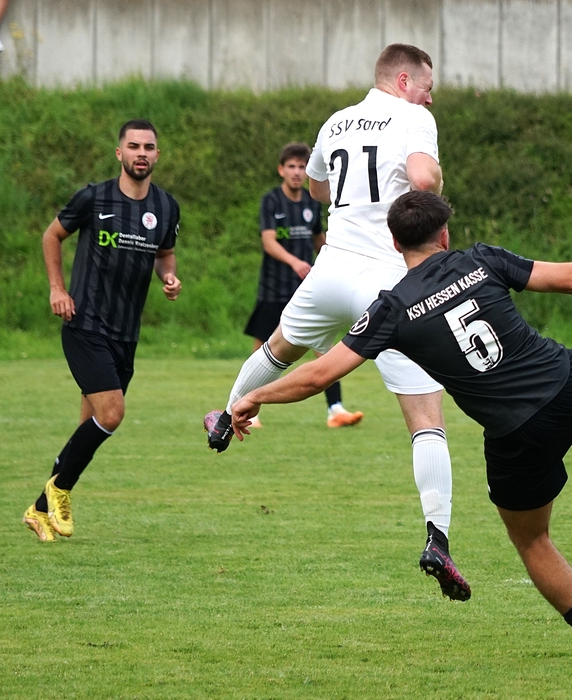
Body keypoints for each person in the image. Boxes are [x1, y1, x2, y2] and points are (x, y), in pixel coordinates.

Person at [228, 190, 572, 665]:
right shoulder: (481, 259)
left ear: (395, 244)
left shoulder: (390, 310)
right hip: (564, 379)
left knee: (532, 539)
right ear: (444, 235)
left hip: (515, 432)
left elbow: (318, 375)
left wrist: (253, 397)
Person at [203, 44, 471, 602]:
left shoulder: (336, 121)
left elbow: (319, 189)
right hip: (389, 280)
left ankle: (226, 417)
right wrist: (432, 187)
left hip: (330, 270)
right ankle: (438, 539)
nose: (430, 98)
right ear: (405, 81)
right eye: (428, 87)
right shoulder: (414, 117)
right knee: (426, 418)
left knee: (279, 347)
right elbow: (423, 178)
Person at [23, 119, 181, 542]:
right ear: (120, 153)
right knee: (111, 414)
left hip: (126, 333)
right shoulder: (93, 198)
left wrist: (169, 277)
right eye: (134, 146)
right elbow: (52, 236)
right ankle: (58, 490)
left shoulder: (166, 207)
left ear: (157, 154)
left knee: (89, 429)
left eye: (148, 147)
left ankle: (40, 509)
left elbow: (165, 254)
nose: (141, 153)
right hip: (85, 324)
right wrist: (57, 288)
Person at [244, 142, 363, 429]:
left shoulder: (312, 202)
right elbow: (269, 242)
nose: (297, 172)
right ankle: (248, 409)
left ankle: (335, 409)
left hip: (307, 288)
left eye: (301, 167)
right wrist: (295, 262)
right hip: (274, 288)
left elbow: (320, 241)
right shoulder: (271, 201)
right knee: (263, 349)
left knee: (323, 348)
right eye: (291, 167)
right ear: (281, 170)